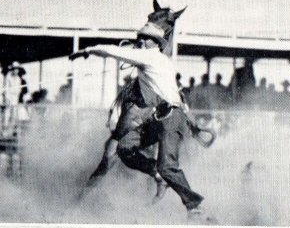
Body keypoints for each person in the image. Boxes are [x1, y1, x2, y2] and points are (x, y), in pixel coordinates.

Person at [72, 25, 207, 217]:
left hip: (170, 118)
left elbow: (113, 51)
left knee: (167, 166)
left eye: (146, 38)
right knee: (124, 147)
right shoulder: (161, 61)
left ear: (156, 43)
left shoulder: (150, 56)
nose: (141, 41)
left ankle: (194, 206)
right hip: (160, 117)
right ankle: (156, 173)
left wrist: (89, 50)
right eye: (140, 38)